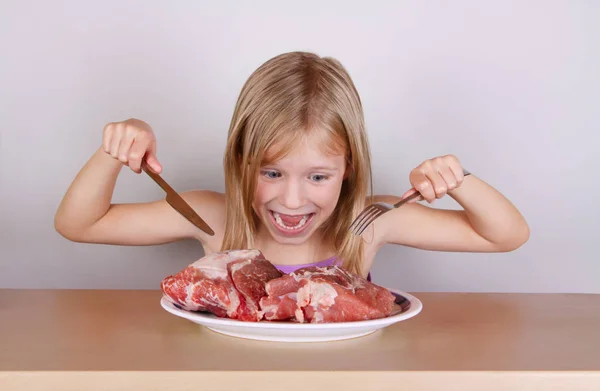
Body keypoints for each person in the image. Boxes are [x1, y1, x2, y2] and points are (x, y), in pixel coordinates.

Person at [54, 51, 529, 278]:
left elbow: (505, 236)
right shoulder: (213, 219)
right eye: (271, 172)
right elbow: (79, 225)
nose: (292, 199)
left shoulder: (370, 223)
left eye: (318, 176)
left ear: (349, 168)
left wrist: (459, 181)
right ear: (240, 161)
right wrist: (114, 151)